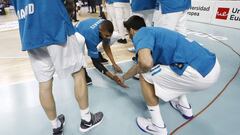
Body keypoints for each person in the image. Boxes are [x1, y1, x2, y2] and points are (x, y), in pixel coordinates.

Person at [11, 0, 104, 134]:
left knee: (44, 84)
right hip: (56, 27)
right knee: (78, 73)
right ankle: (87, 119)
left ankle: (55, 126)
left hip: (30, 34)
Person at [121, 16, 220, 135]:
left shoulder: (141, 33)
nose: (129, 35)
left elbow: (145, 63)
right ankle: (186, 109)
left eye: (128, 32)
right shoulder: (157, 32)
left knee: (145, 74)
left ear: (131, 30)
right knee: (175, 69)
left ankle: (158, 127)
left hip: (197, 73)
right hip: (211, 65)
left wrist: (124, 77)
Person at [75, 18, 127, 88]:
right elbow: (96, 63)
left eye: (109, 35)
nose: (108, 37)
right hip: (75, 34)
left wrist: (114, 64)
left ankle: (97, 54)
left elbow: (106, 45)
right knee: (80, 51)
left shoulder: (105, 26)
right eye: (106, 35)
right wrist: (113, 77)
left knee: (111, 37)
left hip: (86, 26)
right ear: (100, 31)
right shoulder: (91, 36)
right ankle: (84, 73)